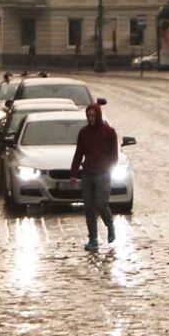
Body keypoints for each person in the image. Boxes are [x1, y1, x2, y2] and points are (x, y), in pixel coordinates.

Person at [69, 103, 119, 251]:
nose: (90, 118)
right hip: (88, 174)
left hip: (103, 174)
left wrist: (108, 166)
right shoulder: (84, 133)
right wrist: (73, 174)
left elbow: (114, 154)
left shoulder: (109, 132)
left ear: (98, 115)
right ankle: (93, 238)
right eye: (88, 116)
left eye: (93, 116)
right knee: (89, 208)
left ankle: (110, 225)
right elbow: (79, 154)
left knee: (101, 203)